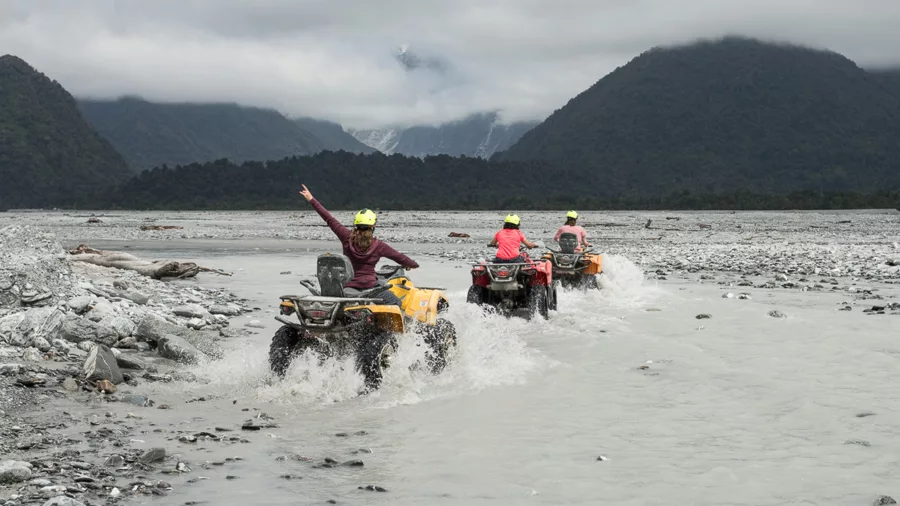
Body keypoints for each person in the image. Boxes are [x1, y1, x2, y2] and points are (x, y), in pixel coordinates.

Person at [298, 184, 417, 307]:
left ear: (356, 224)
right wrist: (412, 265)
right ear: (373, 226)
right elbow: (399, 257)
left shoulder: (346, 237)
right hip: (370, 288)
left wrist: (311, 199)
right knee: (396, 302)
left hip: (349, 288)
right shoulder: (379, 245)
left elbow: (329, 219)